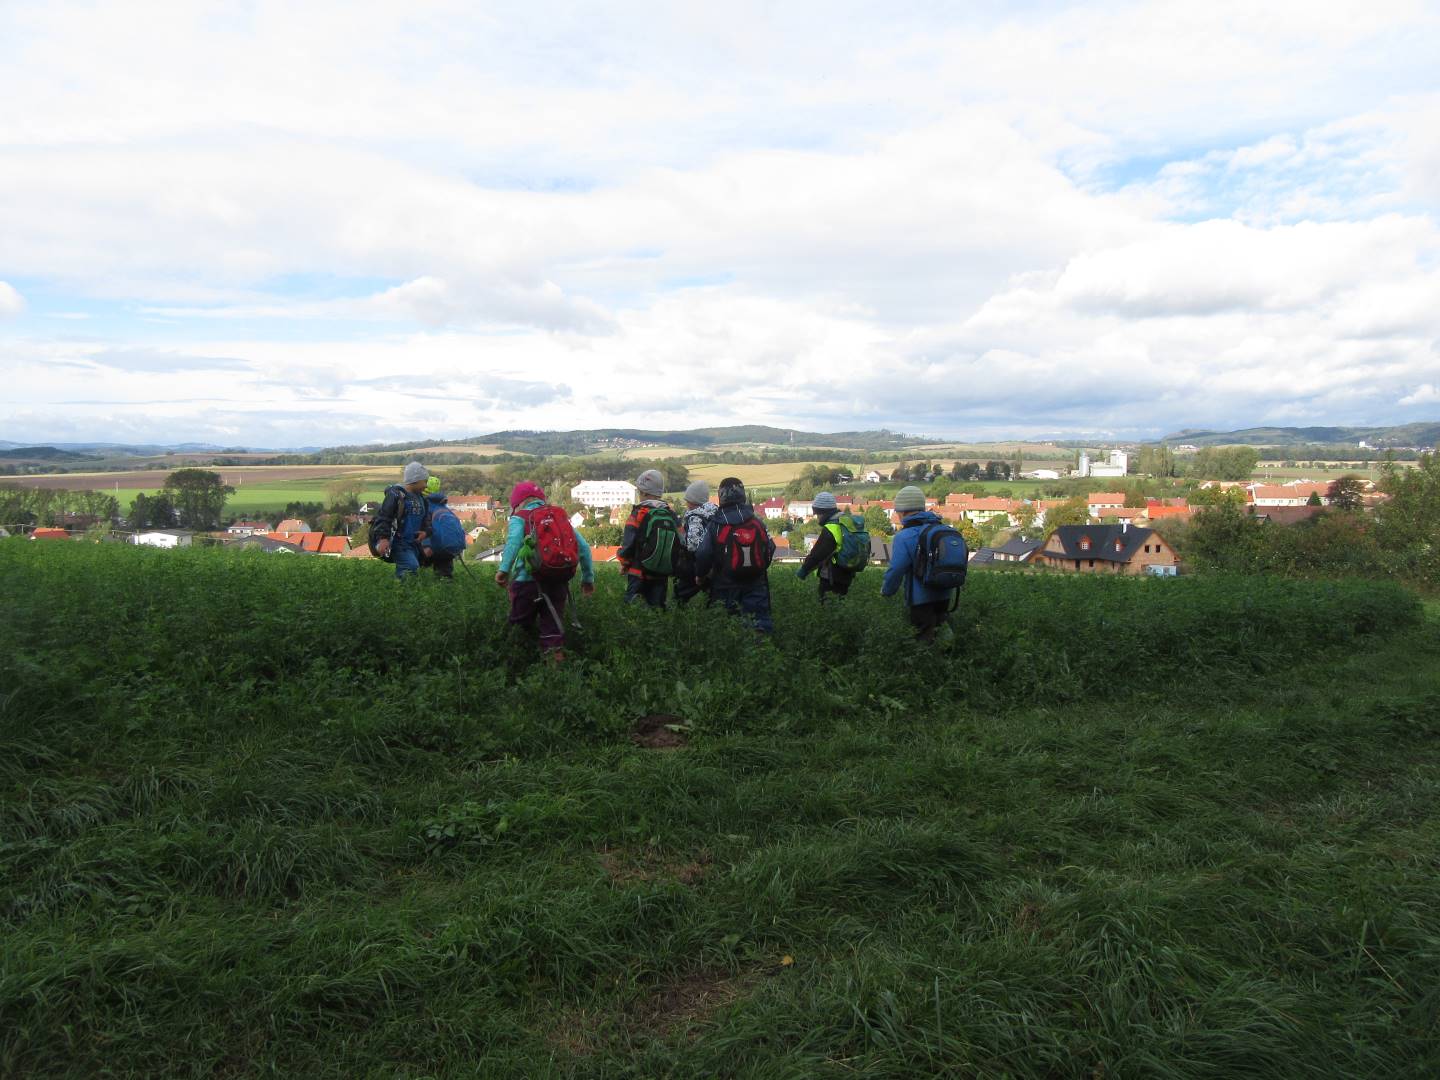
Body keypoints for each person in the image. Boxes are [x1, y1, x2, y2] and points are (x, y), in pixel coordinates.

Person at [495, 481, 595, 658]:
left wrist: (503, 570)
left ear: (517, 504)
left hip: (527, 583)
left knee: (519, 627)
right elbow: (584, 548)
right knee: (553, 630)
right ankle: (555, 666)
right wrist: (587, 579)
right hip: (558, 581)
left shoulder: (520, 517)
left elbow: (513, 544)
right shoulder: (558, 517)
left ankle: (515, 663)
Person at [695, 476, 775, 633]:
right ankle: (760, 647)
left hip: (724, 585)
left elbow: (703, 553)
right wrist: (760, 569)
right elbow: (770, 547)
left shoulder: (715, 524)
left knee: (726, 629)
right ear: (743, 496)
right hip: (756, 585)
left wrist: (700, 575)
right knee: (758, 628)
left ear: (721, 497)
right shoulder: (757, 522)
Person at [881, 485, 959, 641]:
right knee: (941, 634)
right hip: (944, 594)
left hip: (920, 600)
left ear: (903, 512)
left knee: (923, 641)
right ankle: (950, 653)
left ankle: (930, 656)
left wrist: (886, 591)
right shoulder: (941, 528)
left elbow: (896, 569)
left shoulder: (904, 536)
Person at [617, 468, 675, 607]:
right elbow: (681, 541)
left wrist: (624, 563)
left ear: (643, 493)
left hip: (638, 572)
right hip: (661, 573)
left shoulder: (638, 513)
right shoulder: (670, 514)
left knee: (634, 609)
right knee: (658, 610)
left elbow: (628, 544)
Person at [795, 490, 861, 601]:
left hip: (832, 577)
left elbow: (817, 554)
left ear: (823, 512)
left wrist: (803, 571)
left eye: (817, 514)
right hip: (847, 575)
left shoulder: (831, 528)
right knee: (842, 604)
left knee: (829, 606)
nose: (817, 517)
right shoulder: (845, 521)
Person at [371, 461, 431, 579]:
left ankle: (399, 588)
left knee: (413, 570)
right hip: (398, 542)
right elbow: (384, 517)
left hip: (413, 544)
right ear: (415, 480)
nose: (426, 486)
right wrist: (383, 538)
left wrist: (425, 532)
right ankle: (400, 589)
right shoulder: (396, 495)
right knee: (410, 566)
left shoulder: (422, 500)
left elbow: (426, 520)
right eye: (425, 481)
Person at [673, 479, 717, 605]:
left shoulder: (695, 517)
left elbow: (693, 545)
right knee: (712, 594)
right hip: (714, 562)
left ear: (692, 501)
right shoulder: (714, 514)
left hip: (696, 564)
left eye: (687, 500)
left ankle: (677, 613)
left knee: (680, 594)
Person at [419, 475, 456, 579]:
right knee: (445, 577)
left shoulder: (425, 505)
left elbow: (425, 525)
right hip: (448, 547)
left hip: (431, 547)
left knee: (417, 573)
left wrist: (427, 545)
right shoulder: (443, 505)